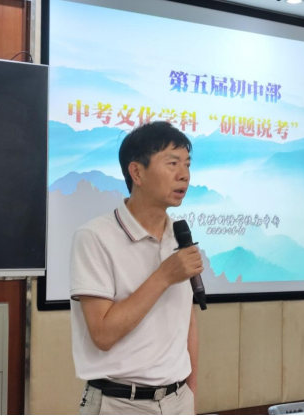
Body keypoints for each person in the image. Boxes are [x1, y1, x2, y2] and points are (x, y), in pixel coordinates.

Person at [70, 121, 203, 415]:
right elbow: (102, 334)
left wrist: (190, 392)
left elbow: (187, 321)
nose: (184, 175)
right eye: (172, 163)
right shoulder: (94, 237)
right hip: (120, 402)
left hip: (179, 399)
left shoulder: (178, 236)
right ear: (137, 172)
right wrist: (164, 276)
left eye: (187, 164)